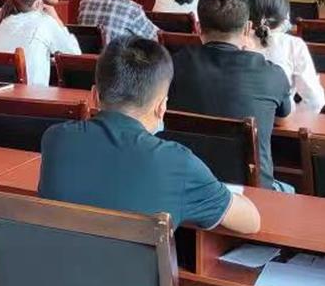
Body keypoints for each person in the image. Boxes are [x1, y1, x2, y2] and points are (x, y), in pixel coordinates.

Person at [39, 36, 260, 234]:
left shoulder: (56, 139)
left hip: (57, 267)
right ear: (161, 107)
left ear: (95, 96)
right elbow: (251, 222)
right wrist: (213, 188)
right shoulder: (178, 163)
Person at [170, 0, 293, 191]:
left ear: (198, 27)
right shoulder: (272, 74)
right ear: (247, 28)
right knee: (291, 189)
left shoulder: (172, 66)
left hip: (184, 185)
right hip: (250, 192)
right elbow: (283, 119)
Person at [247, 0, 325, 113]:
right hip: (280, 119)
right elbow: (315, 101)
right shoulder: (294, 45)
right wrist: (291, 117)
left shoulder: (236, 42)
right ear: (285, 16)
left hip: (237, 121)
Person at [0, 0, 80, 86]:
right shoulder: (44, 22)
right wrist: (56, 19)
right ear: (38, 3)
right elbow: (74, 55)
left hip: (2, 91)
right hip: (34, 92)